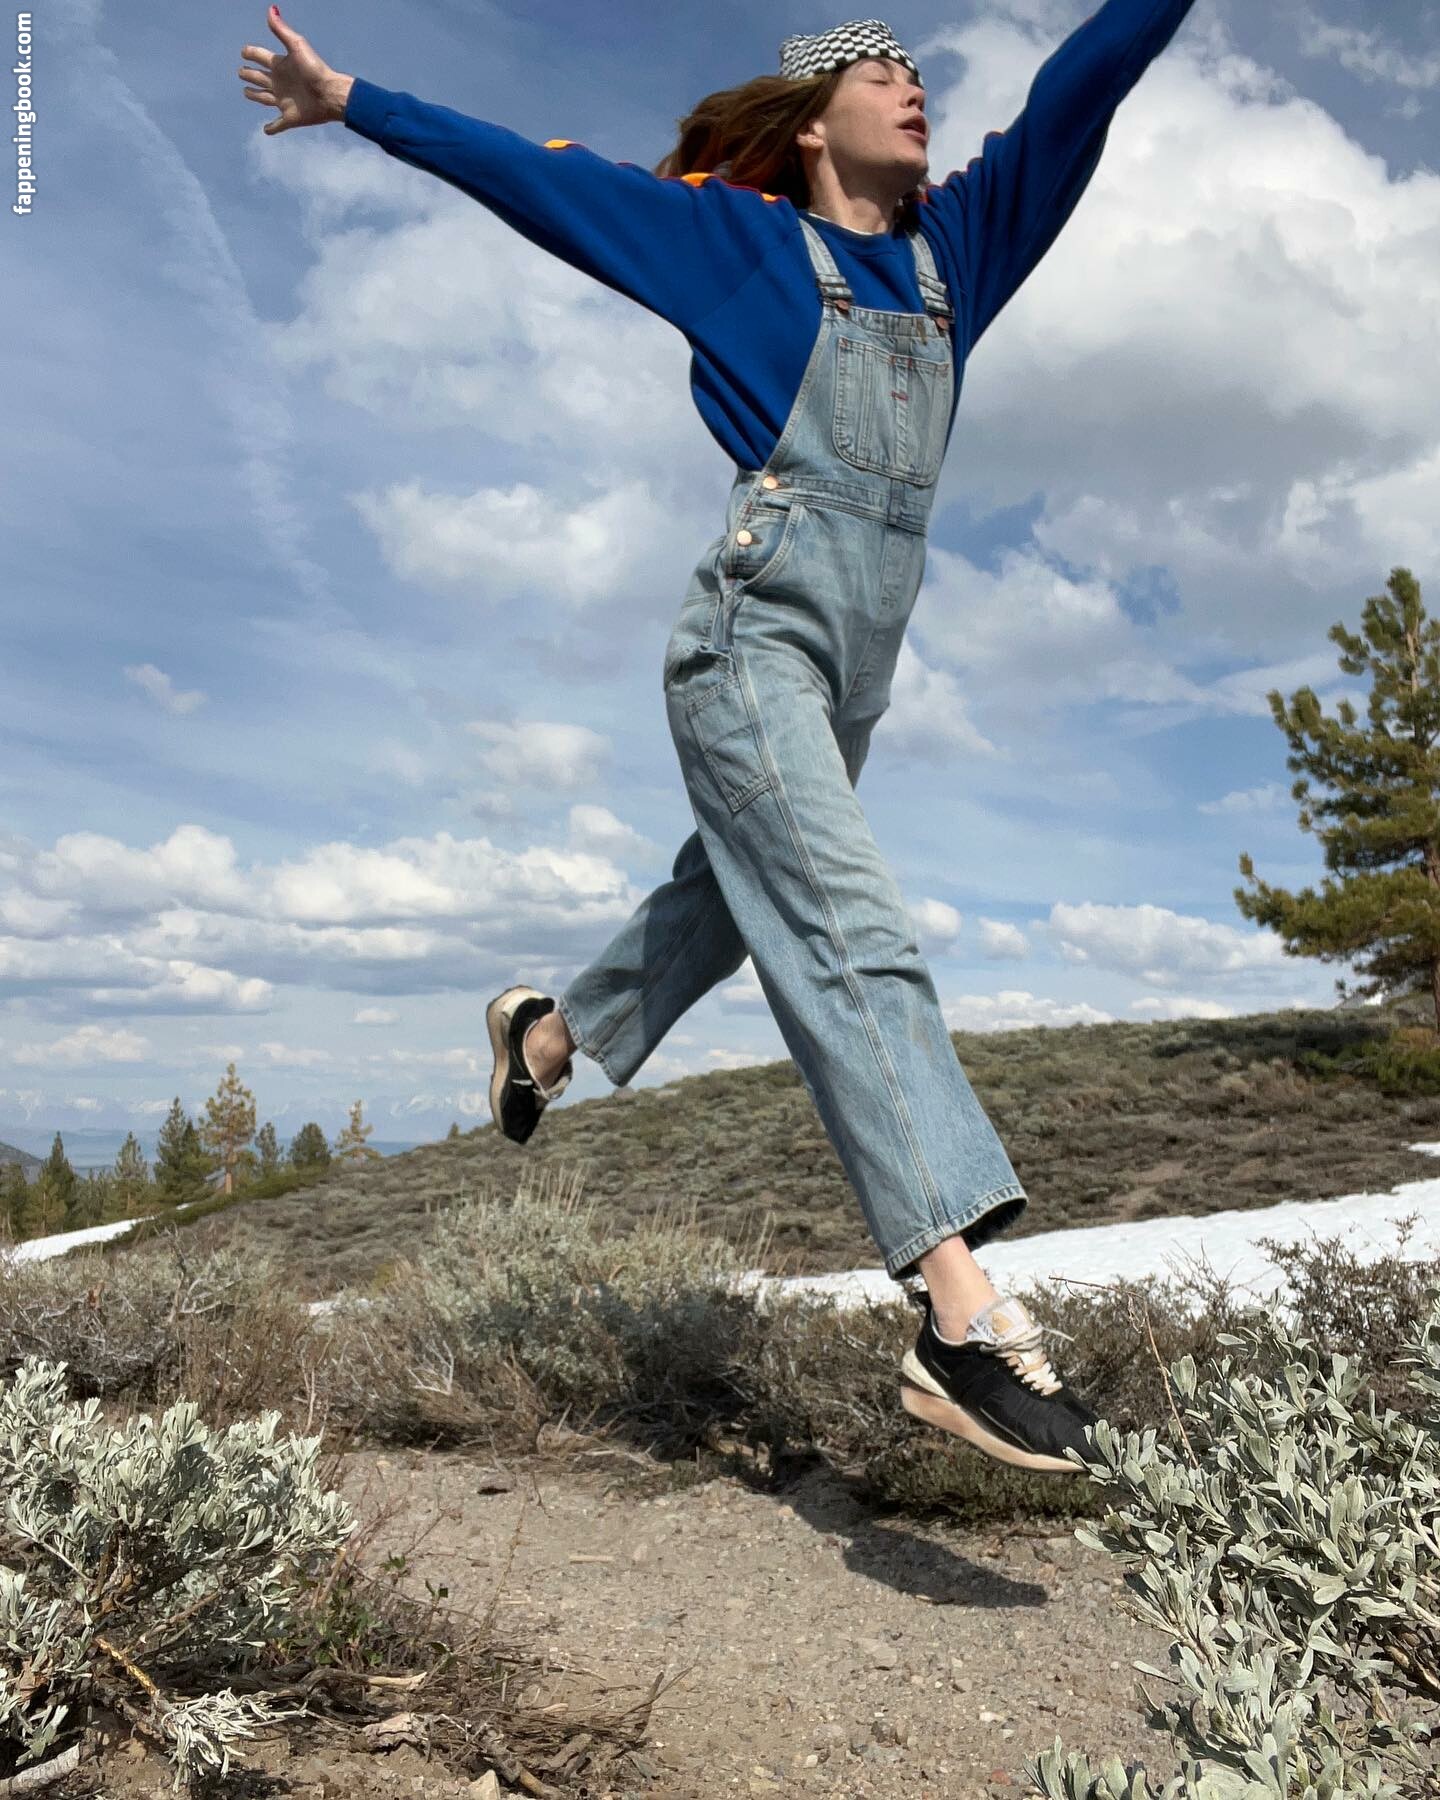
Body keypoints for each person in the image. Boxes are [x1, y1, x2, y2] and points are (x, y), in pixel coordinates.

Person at [238, 3, 1195, 1474]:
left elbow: (1087, 82)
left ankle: (542, 1036)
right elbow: (537, 178)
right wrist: (355, 99)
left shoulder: (959, 255)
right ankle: (957, 1314)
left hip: (850, 681)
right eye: (879, 71)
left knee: (734, 902)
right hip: (751, 644)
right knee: (846, 929)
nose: (913, 86)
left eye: (917, 69)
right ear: (810, 124)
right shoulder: (734, 245)